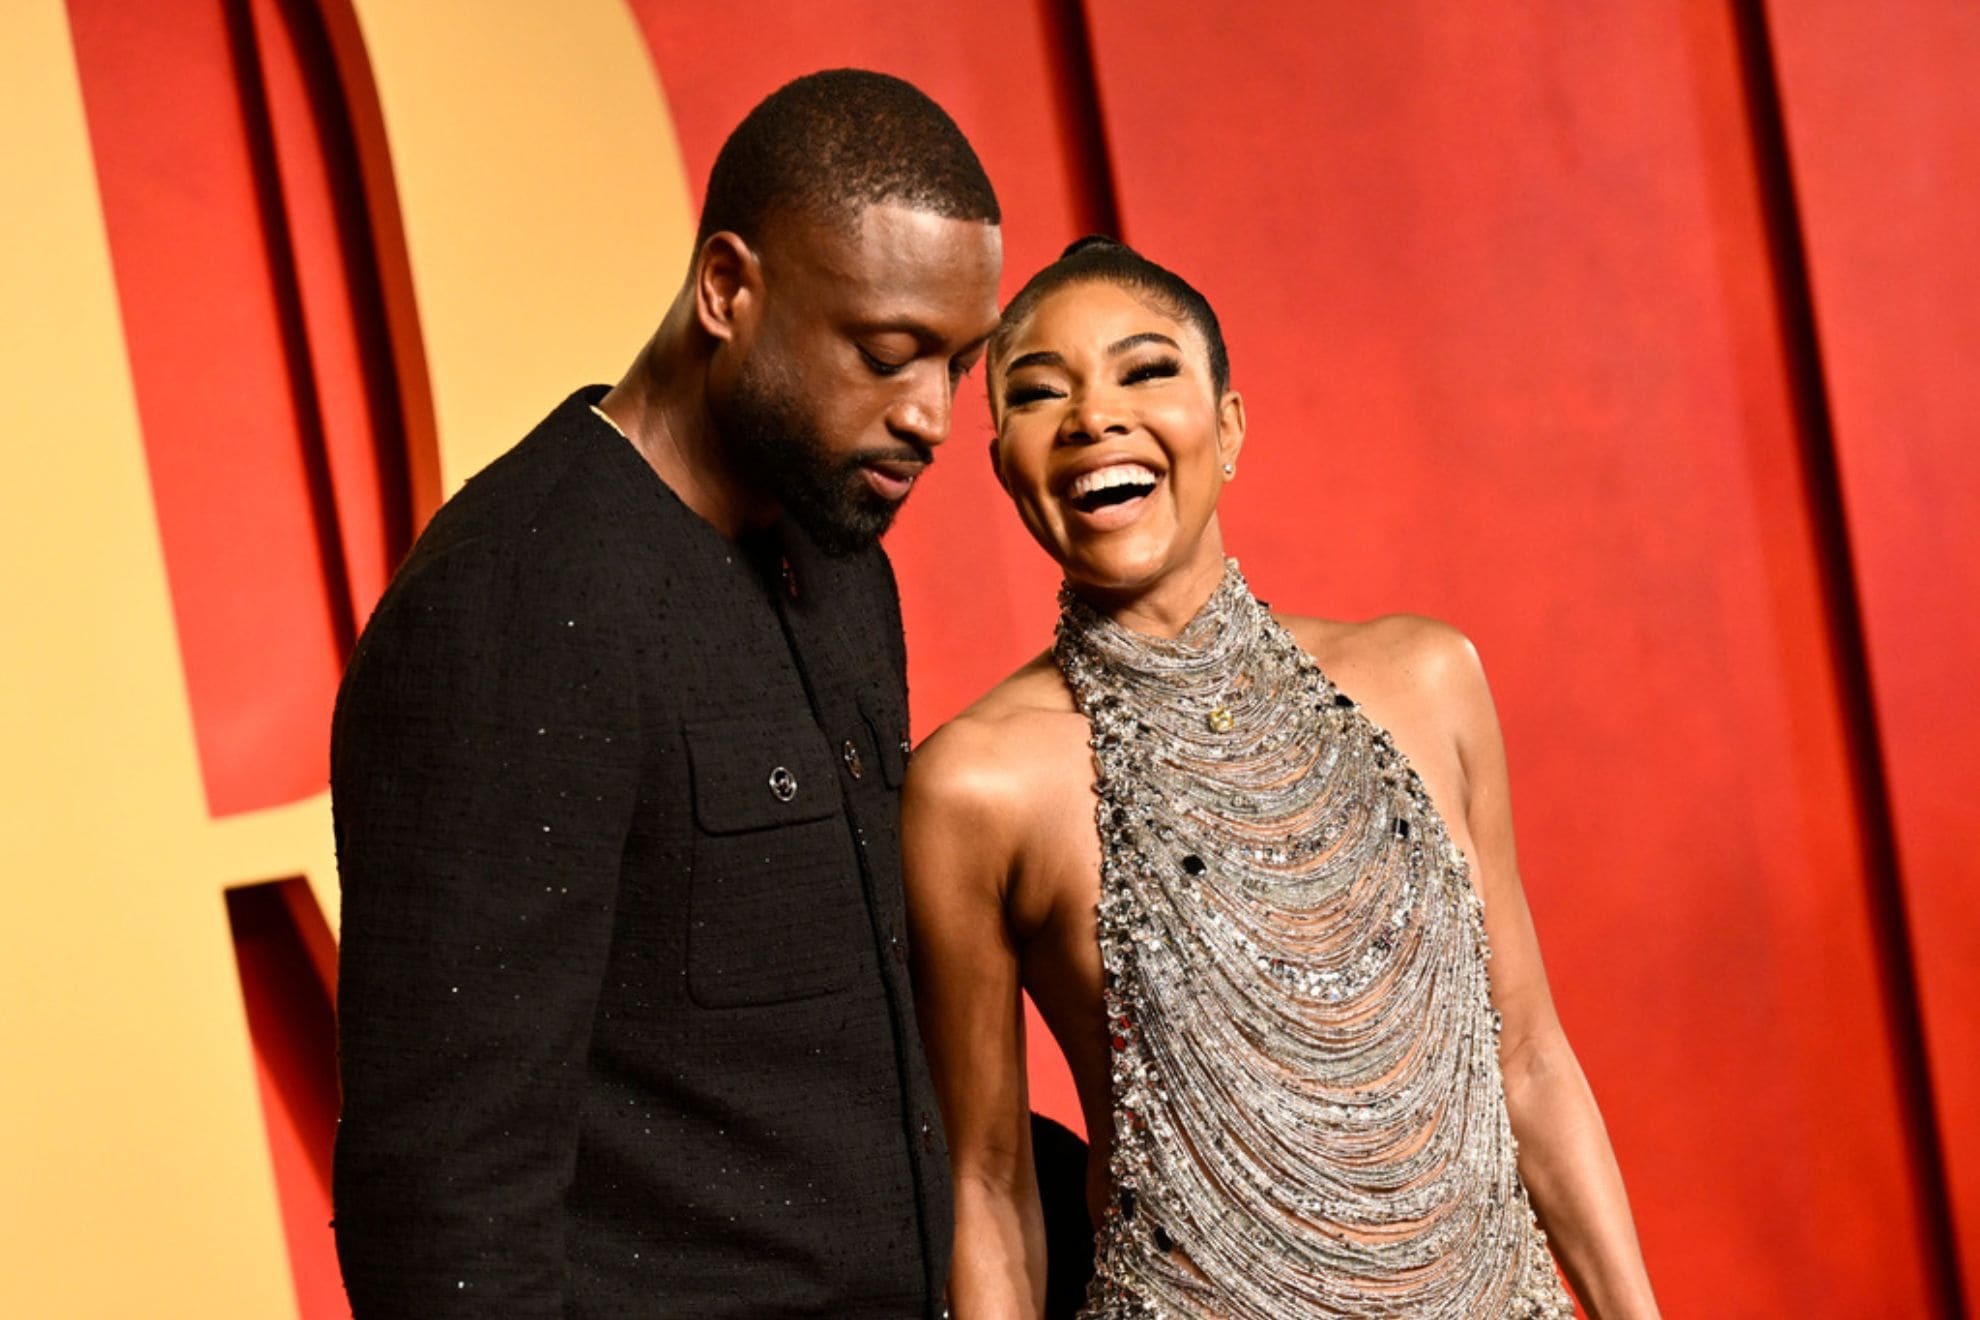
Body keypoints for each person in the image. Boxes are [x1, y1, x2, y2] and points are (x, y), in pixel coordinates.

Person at [330, 70, 1001, 1317]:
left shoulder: (841, 562)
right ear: (728, 290)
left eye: (959, 365)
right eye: (889, 353)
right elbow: (442, 1206)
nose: (931, 417)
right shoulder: (512, 607)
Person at [903, 238, 1660, 1317]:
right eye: (1038, 392)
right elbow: (985, 1184)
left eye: (1145, 369)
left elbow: (1531, 1059)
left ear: (1230, 427)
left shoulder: (1430, 680)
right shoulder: (976, 786)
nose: (1093, 417)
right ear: (1005, 465)